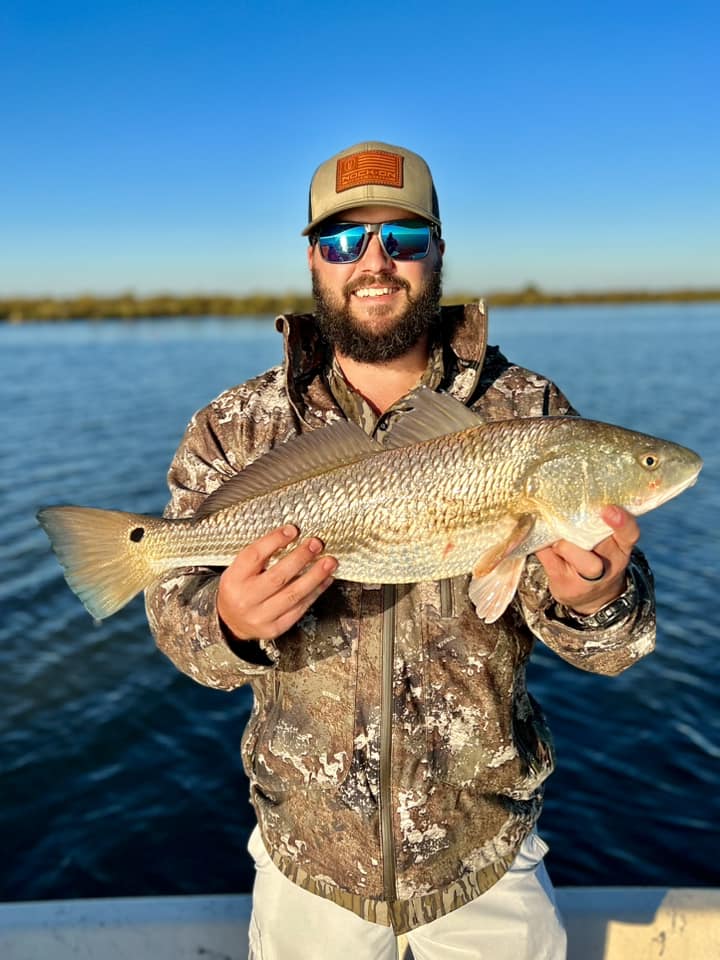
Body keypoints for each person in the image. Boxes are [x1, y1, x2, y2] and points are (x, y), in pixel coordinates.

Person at [146, 141, 656, 960]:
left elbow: (611, 649)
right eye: (345, 241)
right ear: (313, 258)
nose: (375, 263)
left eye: (404, 239)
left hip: (486, 854)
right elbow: (180, 628)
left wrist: (596, 602)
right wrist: (231, 624)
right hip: (307, 863)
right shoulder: (236, 425)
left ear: (438, 252)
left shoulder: (528, 412)